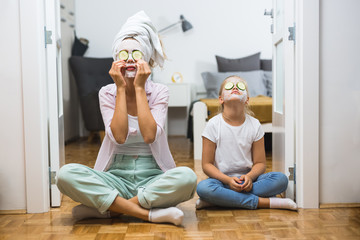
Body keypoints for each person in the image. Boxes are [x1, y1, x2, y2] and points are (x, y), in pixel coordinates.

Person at [56, 11, 197, 226]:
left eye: (136, 54)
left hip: (153, 175)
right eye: (124, 54)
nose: (130, 59)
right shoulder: (107, 92)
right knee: (64, 175)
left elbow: (150, 136)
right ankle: (150, 213)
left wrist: (139, 88)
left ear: (148, 58)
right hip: (115, 176)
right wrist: (121, 88)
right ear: (116, 59)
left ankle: (109, 210)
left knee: (187, 178)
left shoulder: (160, 91)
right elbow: (119, 137)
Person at [196, 76, 297, 211]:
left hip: (250, 181)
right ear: (221, 99)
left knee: (281, 179)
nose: (235, 87)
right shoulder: (213, 125)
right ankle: (264, 203)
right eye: (229, 86)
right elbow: (206, 165)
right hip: (221, 181)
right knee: (203, 188)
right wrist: (228, 181)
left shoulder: (255, 125)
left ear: (247, 99)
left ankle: (220, 200)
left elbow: (260, 164)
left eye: (240, 86)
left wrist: (249, 177)